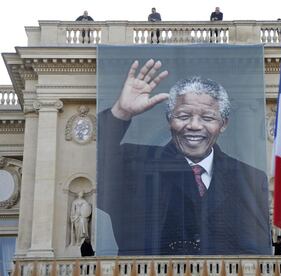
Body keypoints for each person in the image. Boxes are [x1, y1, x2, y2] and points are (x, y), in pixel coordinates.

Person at [98, 59, 271, 255]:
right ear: (169, 119)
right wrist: (121, 112)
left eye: (207, 118)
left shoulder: (251, 179)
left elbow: (256, 251)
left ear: (223, 124)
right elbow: (98, 162)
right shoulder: (132, 165)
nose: (194, 125)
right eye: (183, 116)